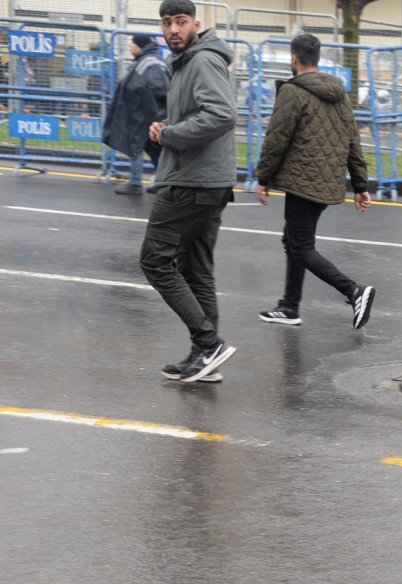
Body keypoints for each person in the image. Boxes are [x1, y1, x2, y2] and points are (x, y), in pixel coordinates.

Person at [141, 0, 237, 383]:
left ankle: (208, 342)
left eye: (180, 22)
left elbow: (221, 115)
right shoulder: (186, 62)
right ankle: (205, 357)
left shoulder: (201, 60)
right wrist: (168, 125)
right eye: (166, 23)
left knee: (155, 261)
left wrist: (170, 135)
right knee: (196, 270)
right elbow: (201, 112)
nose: (173, 30)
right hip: (205, 180)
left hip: (191, 181)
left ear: (197, 23)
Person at [253, 34, 376, 330]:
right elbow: (353, 142)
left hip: (302, 182)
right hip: (327, 183)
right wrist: (360, 186)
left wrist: (263, 178)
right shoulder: (340, 95)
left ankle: (354, 291)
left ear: (294, 59)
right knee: (293, 241)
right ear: (317, 58)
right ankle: (289, 306)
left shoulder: (293, 92)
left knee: (301, 247)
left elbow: (276, 139)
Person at [103, 33, 169, 195]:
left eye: (131, 43)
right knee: (152, 148)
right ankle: (163, 183)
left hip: (144, 115)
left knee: (135, 146)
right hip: (151, 114)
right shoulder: (153, 61)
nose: (129, 47)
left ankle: (135, 183)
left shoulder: (147, 64)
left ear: (140, 46)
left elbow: (156, 89)